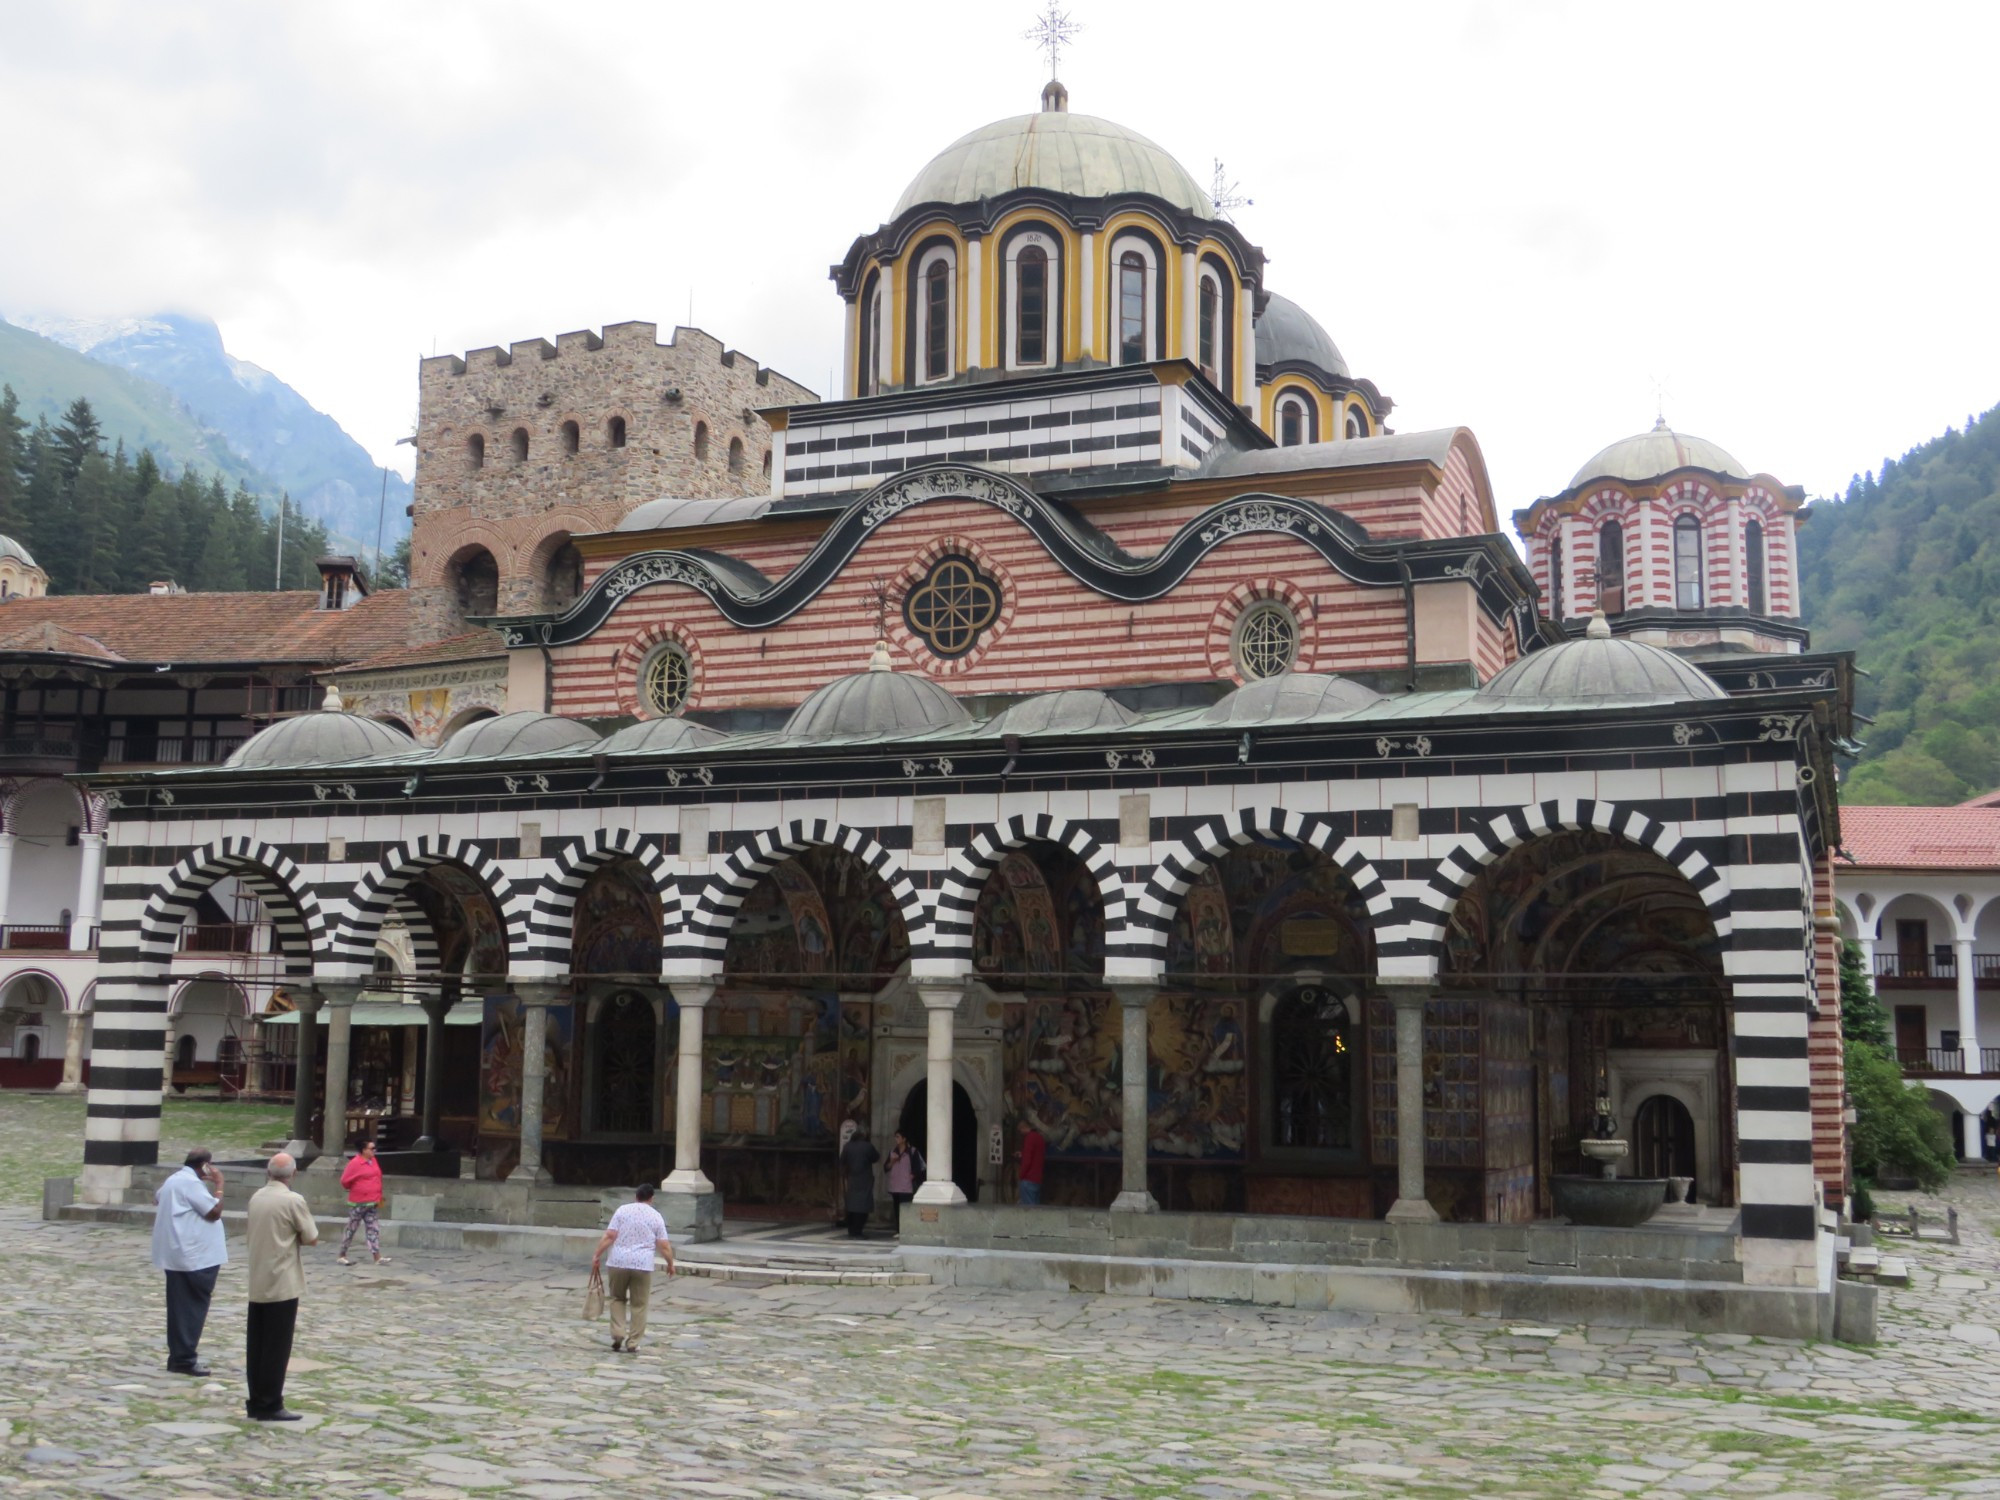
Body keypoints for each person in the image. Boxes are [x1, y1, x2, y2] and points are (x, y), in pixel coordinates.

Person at [244, 1152, 319, 1421]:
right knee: (277, 1346)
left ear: (268, 1173)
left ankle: (256, 1399)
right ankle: (271, 1402)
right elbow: (311, 1236)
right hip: (283, 1280)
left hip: (258, 1277)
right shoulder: (292, 1200)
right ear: (293, 1174)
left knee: (257, 1344)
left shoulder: (256, 1197)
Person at [150, 1147, 227, 1376]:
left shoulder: (174, 1179)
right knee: (192, 1308)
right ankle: (184, 1358)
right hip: (194, 1258)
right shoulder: (191, 1184)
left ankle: (179, 1356)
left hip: (178, 1255)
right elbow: (213, 1212)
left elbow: (157, 1197)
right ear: (204, 1165)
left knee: (179, 1308)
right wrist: (219, 1187)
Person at [590, 1184, 674, 1354]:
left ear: (636, 1196)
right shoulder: (656, 1216)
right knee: (639, 1304)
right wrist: (670, 1264)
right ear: (651, 1198)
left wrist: (597, 1254)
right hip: (642, 1264)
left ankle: (618, 1333)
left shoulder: (622, 1210)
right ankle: (633, 1342)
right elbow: (664, 1245)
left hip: (618, 1261)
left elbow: (610, 1235)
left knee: (617, 1298)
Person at [336, 1136, 390, 1266]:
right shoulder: (355, 1163)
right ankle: (342, 1254)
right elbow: (344, 1181)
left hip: (373, 1201)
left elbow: (377, 1177)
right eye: (371, 1148)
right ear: (363, 1150)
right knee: (352, 1228)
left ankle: (377, 1256)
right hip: (358, 1202)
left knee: (373, 1228)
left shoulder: (374, 1161)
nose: (374, 1150)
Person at [839, 1123, 879, 1238]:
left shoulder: (848, 1146)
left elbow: (842, 1161)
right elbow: (876, 1157)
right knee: (862, 1207)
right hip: (864, 1180)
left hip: (851, 1179)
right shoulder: (867, 1146)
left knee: (851, 1205)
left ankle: (852, 1230)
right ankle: (858, 1231)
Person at [883, 1130, 924, 1231]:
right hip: (895, 1185)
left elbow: (917, 1169)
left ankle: (906, 1229)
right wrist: (892, 1161)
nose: (896, 1139)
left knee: (905, 1208)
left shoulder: (912, 1151)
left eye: (898, 1136)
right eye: (895, 1137)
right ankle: (898, 1229)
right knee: (897, 1209)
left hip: (906, 1186)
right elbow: (886, 1168)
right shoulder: (893, 1152)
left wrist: (910, 1177)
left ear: (904, 1139)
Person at [1016, 1121, 1046, 1205]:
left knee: (1028, 1213)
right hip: (1037, 1180)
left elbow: (1027, 1161)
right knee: (1035, 1211)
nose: (1020, 1133)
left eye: (1020, 1130)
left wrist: (1021, 1175)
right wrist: (1022, 1154)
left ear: (1023, 1127)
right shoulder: (1040, 1138)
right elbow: (1036, 1156)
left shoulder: (1029, 1138)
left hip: (1028, 1180)